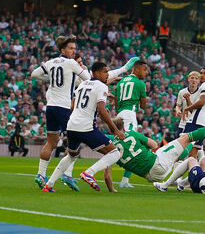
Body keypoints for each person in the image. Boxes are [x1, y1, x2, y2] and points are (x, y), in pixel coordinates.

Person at [31, 35, 138, 191]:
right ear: (63, 49)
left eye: (75, 49)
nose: (74, 52)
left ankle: (42, 176)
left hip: (51, 107)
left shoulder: (50, 63)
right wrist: (110, 82)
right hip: (67, 110)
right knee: (109, 151)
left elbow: (34, 74)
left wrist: (52, 78)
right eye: (71, 48)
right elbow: (90, 79)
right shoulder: (73, 65)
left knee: (53, 143)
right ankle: (74, 174)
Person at [42, 62, 125, 192]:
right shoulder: (102, 86)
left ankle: (49, 185)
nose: (107, 74)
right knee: (114, 153)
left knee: (71, 155)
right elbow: (101, 109)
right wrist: (115, 130)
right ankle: (89, 173)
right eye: (105, 71)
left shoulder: (82, 84)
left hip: (71, 125)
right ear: (96, 73)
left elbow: (72, 106)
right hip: (85, 127)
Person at [104, 107, 205, 192]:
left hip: (152, 175)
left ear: (110, 130)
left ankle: (176, 183)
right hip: (156, 164)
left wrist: (112, 190)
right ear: (123, 128)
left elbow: (107, 177)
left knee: (182, 150)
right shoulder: (131, 133)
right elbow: (154, 144)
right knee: (187, 137)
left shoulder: (110, 147)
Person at [115, 60, 148, 188]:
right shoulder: (140, 83)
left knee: (120, 143)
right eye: (144, 70)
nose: (146, 73)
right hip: (129, 114)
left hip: (120, 114)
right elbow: (144, 105)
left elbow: (117, 103)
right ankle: (124, 181)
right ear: (137, 68)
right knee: (132, 145)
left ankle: (123, 179)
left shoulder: (121, 82)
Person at [183, 67, 205, 158]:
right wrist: (188, 100)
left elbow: (201, 102)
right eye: (201, 73)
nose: (201, 75)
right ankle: (196, 171)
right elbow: (195, 108)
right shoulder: (204, 87)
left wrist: (186, 109)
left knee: (182, 146)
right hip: (202, 121)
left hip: (196, 121)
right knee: (194, 151)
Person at [175, 71, 200, 138]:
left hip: (195, 122)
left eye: (196, 78)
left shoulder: (200, 94)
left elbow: (193, 110)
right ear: (188, 79)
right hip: (183, 122)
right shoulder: (182, 92)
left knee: (191, 145)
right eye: (192, 78)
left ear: (199, 81)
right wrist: (178, 110)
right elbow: (178, 105)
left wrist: (187, 99)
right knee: (178, 143)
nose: (194, 80)